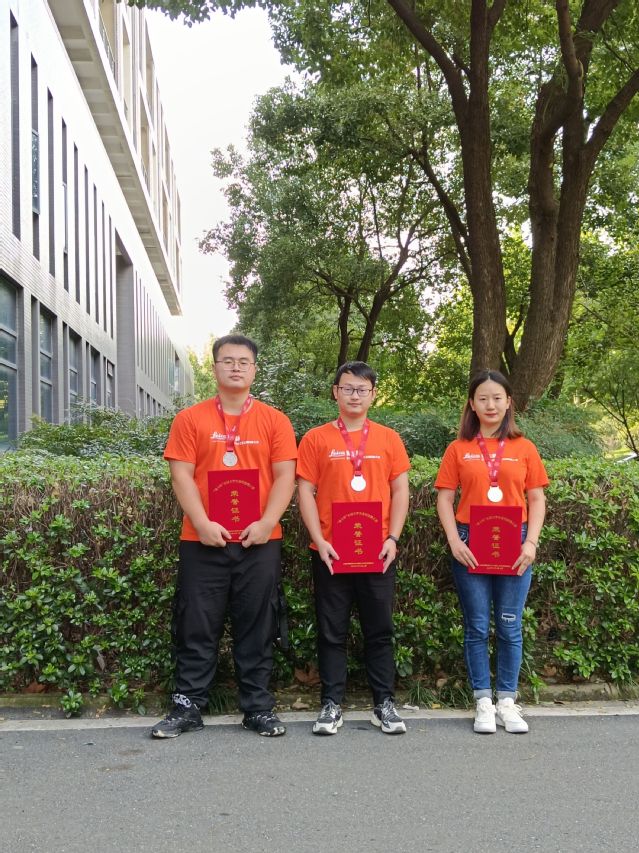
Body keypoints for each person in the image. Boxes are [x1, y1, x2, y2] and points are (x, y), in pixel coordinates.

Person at [151, 334, 297, 739]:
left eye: (243, 361)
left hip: (260, 541)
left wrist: (267, 523)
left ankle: (258, 707)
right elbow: (181, 474)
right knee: (196, 623)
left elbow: (285, 476)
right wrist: (201, 523)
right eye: (227, 361)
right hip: (201, 540)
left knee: (258, 624)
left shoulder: (275, 421)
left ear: (254, 369)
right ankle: (188, 706)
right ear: (214, 368)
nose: (236, 367)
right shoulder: (190, 419)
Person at [297, 361, 410, 735]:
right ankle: (331, 704)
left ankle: (384, 704)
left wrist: (393, 538)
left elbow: (400, 490)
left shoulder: (389, 439)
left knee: (379, 630)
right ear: (335, 392)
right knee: (332, 630)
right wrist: (319, 540)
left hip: (378, 551)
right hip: (330, 551)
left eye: (362, 389)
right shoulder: (316, 439)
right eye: (347, 388)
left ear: (373, 394)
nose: (354, 395)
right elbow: (305, 491)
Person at [435, 369, 548, 734]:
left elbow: (536, 498)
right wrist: (455, 541)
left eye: (497, 398)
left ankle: (508, 701)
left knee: (510, 625)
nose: (490, 405)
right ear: (472, 404)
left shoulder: (524, 447)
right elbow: (445, 498)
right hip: (470, 540)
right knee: (478, 625)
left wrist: (531, 542)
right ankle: (483, 701)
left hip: (515, 541)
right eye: (482, 398)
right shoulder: (458, 449)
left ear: (508, 401)